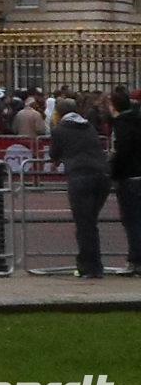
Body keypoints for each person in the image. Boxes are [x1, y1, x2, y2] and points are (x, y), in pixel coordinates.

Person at [50, 100, 112, 278]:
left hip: (80, 176)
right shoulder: (89, 127)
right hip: (102, 175)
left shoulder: (59, 130)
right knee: (90, 223)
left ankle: (90, 266)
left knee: (85, 225)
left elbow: (54, 154)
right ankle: (92, 264)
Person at [108, 87, 141, 275]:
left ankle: (135, 260)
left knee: (132, 221)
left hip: (128, 176)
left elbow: (121, 153)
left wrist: (114, 173)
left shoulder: (121, 124)